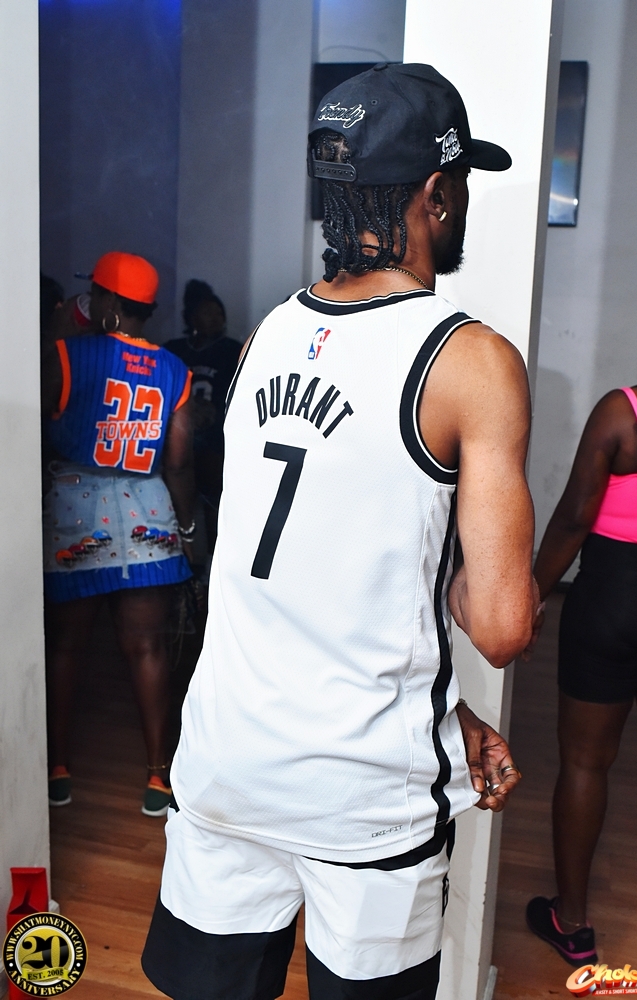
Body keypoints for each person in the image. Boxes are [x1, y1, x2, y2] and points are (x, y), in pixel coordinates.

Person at [142, 64, 536, 1000]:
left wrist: (447, 711)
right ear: (436, 195)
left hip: (226, 762)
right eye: (461, 184)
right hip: (364, 795)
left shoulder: (266, 335)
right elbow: (502, 626)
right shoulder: (470, 360)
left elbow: (300, 574)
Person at [526, 291, 637, 964]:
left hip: (608, 606)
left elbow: (573, 519)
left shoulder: (623, 413)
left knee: (585, 761)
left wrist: (530, 594)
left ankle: (574, 923)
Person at [42, 251, 196, 817]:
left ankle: (58, 768)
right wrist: (189, 527)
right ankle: (158, 776)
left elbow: (28, 427)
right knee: (148, 646)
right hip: (147, 507)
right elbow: (179, 461)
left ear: (106, 302)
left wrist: (63, 326)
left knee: (66, 645)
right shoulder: (174, 369)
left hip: (76, 508)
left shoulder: (65, 354)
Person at [165, 280, 241, 561]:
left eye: (219, 313)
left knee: (214, 498)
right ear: (192, 318)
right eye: (208, 313)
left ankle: (212, 562)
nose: (216, 318)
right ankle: (181, 556)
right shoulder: (175, 350)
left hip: (213, 439)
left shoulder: (231, 350)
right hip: (179, 436)